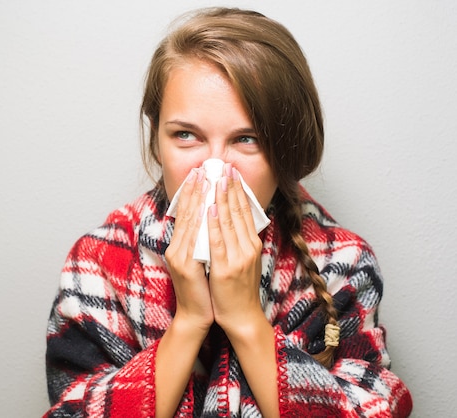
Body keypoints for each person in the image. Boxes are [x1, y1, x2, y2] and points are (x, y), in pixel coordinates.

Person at [43, 7, 413, 417]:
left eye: (247, 139)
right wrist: (188, 323)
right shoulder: (99, 263)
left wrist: (245, 320)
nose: (214, 169)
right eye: (186, 135)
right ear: (156, 141)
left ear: (285, 152)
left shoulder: (342, 264)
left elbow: (374, 408)